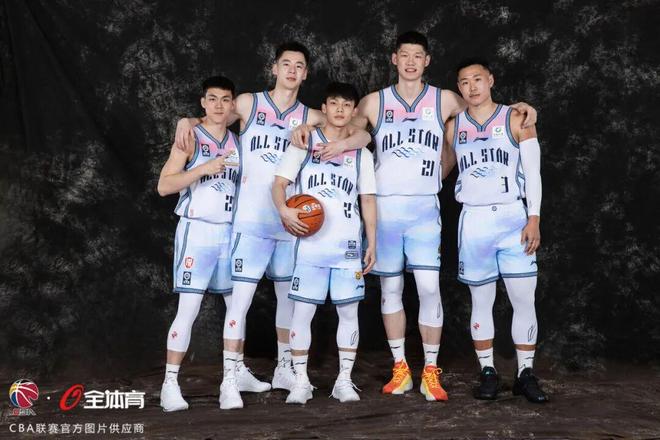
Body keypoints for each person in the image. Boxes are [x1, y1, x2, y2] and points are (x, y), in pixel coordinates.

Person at [293, 30, 537, 401]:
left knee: (428, 288)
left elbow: (484, 107)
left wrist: (523, 108)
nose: (410, 62)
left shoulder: (446, 99)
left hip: (424, 210)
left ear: (427, 61)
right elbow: (345, 125)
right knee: (391, 290)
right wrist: (310, 126)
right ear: (394, 59)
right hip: (386, 209)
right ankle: (401, 367)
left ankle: (431, 371)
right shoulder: (375, 101)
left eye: (417, 56)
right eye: (404, 55)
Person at [174, 43, 371, 409]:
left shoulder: (311, 115)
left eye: (299, 66)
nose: (292, 70)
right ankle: (230, 380)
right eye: (286, 64)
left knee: (288, 302)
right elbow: (215, 116)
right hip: (251, 221)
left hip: (291, 224)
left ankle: (284, 368)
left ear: (306, 74)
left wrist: (351, 140)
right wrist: (187, 121)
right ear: (274, 68)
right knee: (240, 303)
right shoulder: (249, 103)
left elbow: (359, 127)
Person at [441, 58, 548, 403]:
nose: (471, 86)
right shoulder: (453, 127)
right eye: (464, 82)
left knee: (523, 299)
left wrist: (534, 217)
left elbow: (533, 173)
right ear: (459, 88)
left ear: (490, 80)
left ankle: (525, 374)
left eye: (477, 79)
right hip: (474, 220)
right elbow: (438, 171)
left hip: (513, 218)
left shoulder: (517, 118)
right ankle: (487, 371)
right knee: (481, 300)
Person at [157, 76, 266, 411]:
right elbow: (164, 186)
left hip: (230, 235)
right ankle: (170, 384)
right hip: (198, 232)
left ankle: (236, 373)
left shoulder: (238, 142)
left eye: (225, 99)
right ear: (203, 102)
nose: (219, 105)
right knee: (188, 309)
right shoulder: (190, 137)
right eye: (212, 99)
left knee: (238, 308)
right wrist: (203, 168)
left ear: (232, 105)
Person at [272, 82, 377, 405]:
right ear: (324, 108)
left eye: (346, 105)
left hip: (347, 247)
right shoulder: (304, 144)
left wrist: (372, 242)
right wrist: (284, 209)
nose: (340, 110)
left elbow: (368, 200)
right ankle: (301, 381)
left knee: (349, 312)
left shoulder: (361, 153)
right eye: (334, 103)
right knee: (302, 312)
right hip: (311, 245)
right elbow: (279, 184)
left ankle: (343, 380)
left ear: (354, 111)